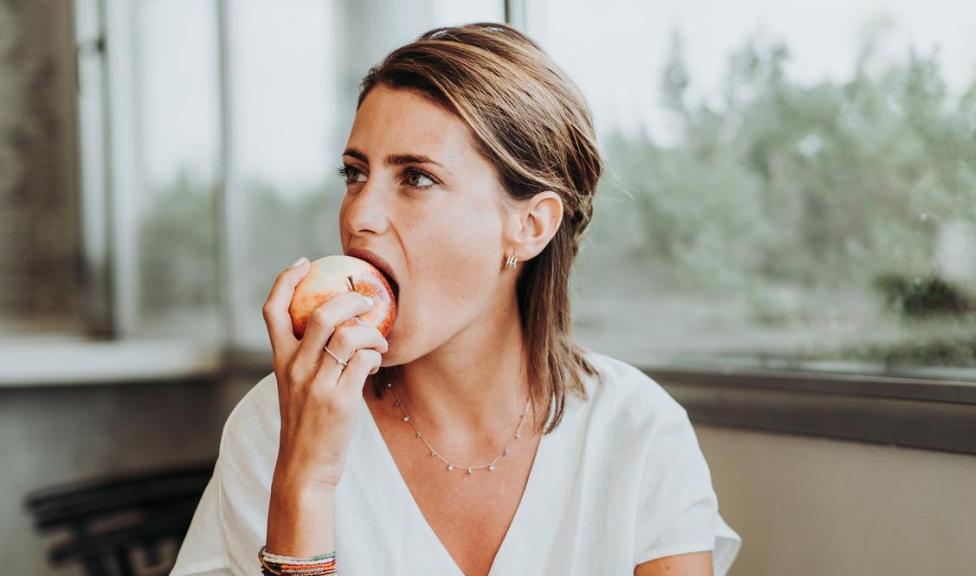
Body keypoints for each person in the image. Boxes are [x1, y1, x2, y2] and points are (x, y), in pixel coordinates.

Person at [170, 22, 741, 576]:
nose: (359, 215)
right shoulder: (277, 424)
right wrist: (306, 481)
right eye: (354, 173)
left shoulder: (638, 432)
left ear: (530, 225)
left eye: (416, 177)